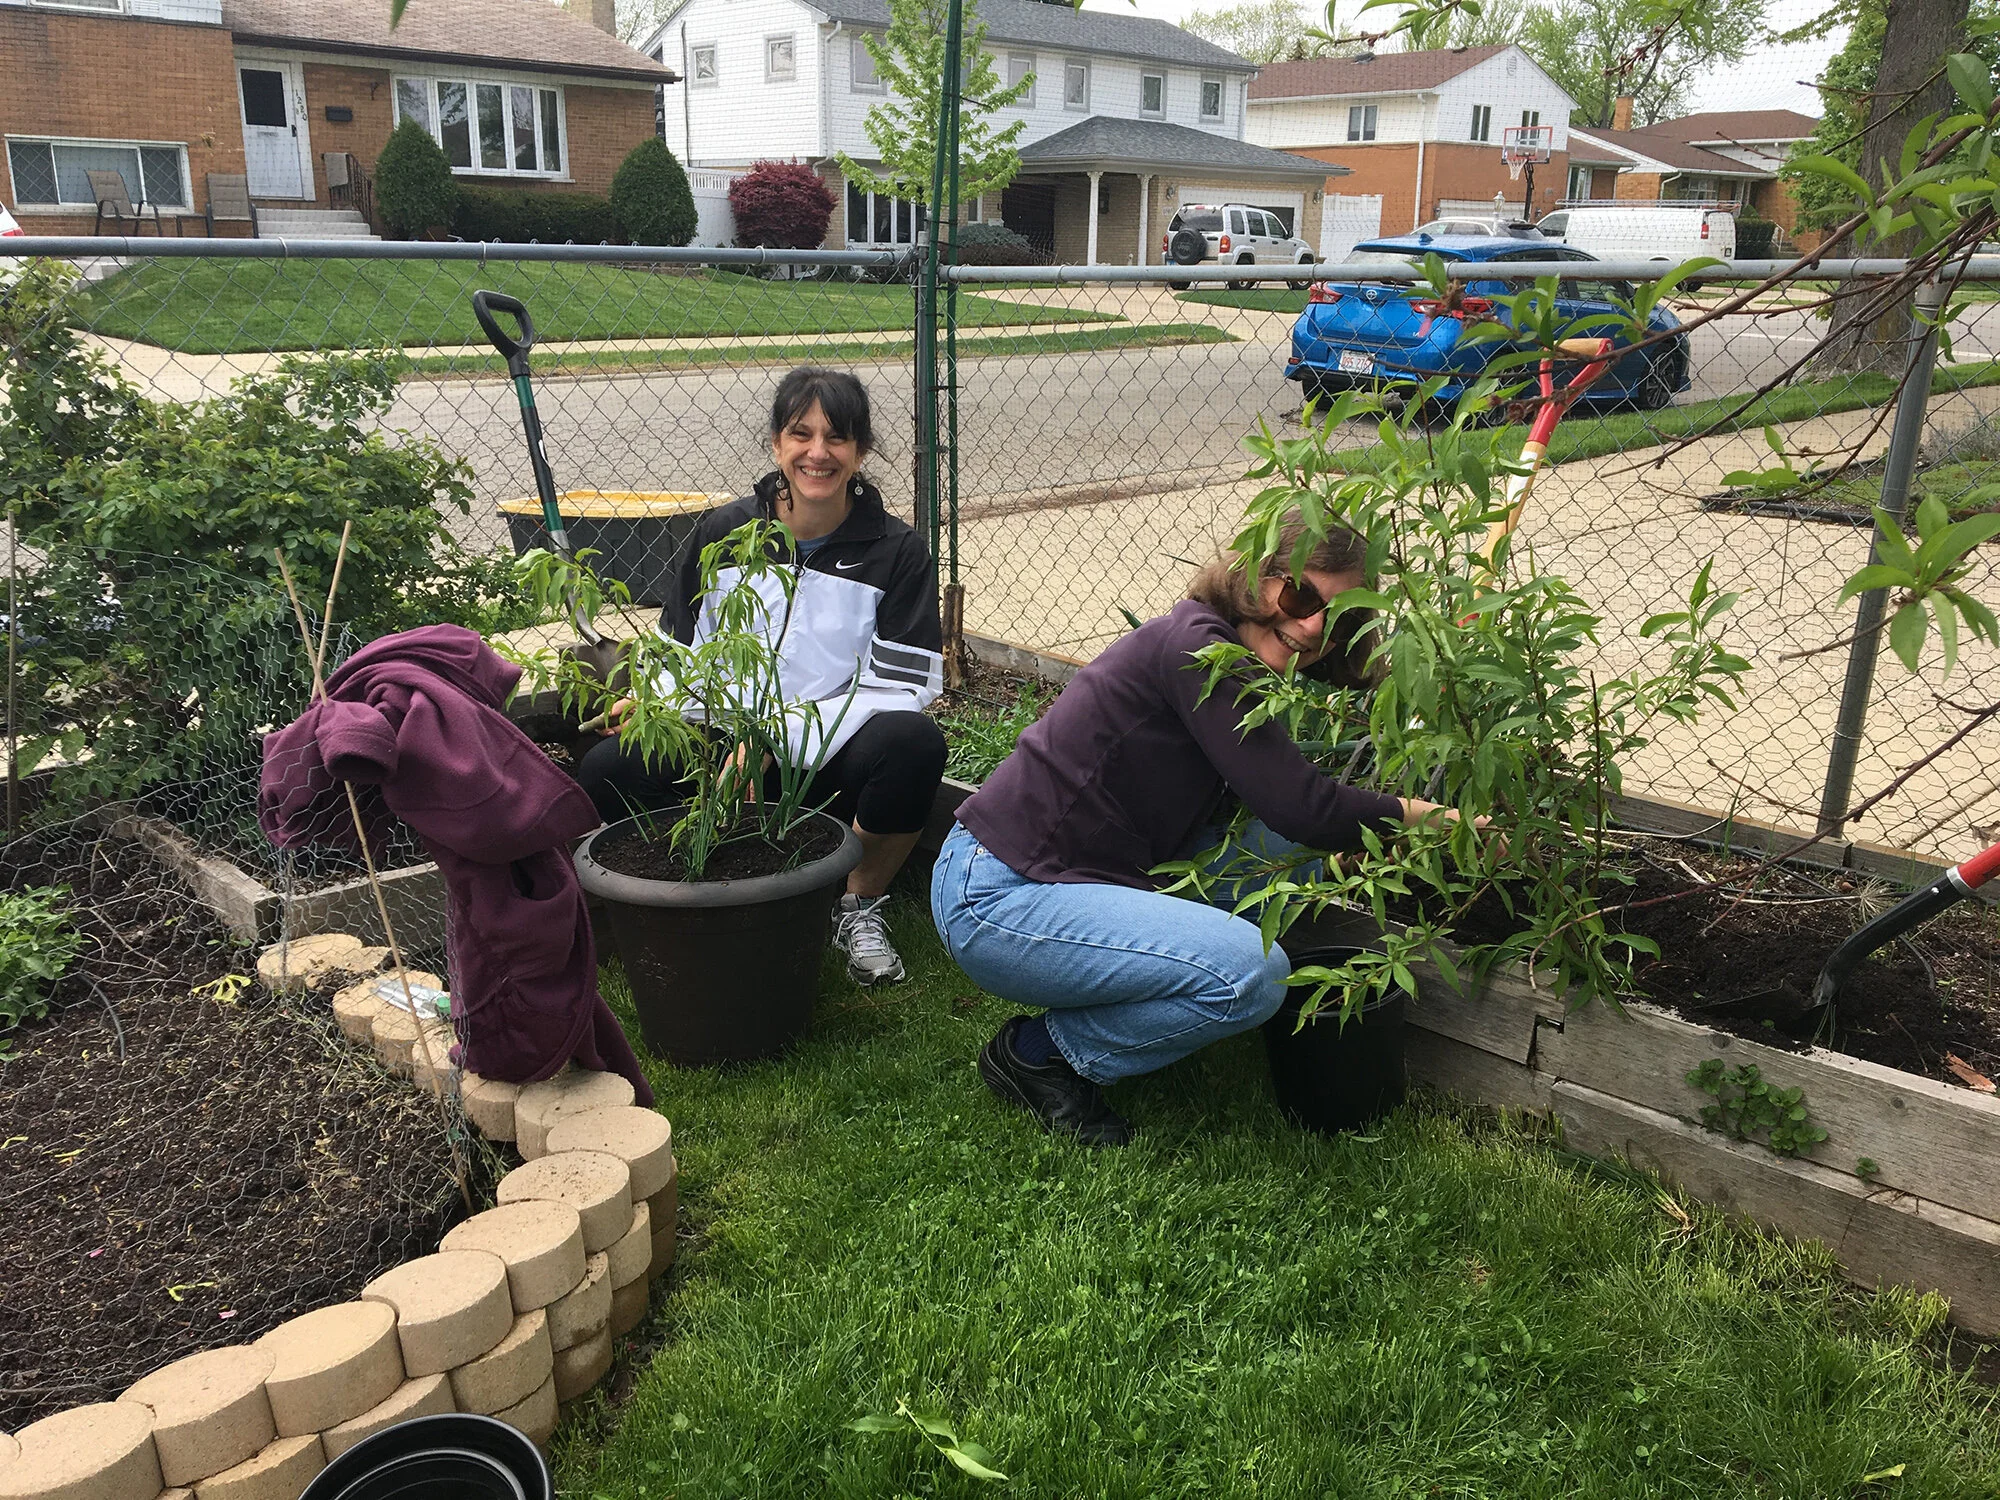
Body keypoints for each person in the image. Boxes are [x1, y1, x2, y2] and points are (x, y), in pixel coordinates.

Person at [931, 519, 1468, 1146]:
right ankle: (1041, 1052)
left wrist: (1431, 667)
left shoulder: (1228, 653)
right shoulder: (1196, 649)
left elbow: (1292, 811)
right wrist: (1424, 816)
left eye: (1341, 614)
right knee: (1252, 974)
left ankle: (1117, 1004)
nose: (1313, 626)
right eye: (1300, 595)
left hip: (1081, 875)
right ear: (1254, 577)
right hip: (1000, 895)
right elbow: (1301, 806)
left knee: (1291, 856)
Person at [575, 368, 947, 986]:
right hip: (724, 742)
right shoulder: (724, 532)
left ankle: (855, 904)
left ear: (860, 452)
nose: (818, 452)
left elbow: (900, 687)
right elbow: (679, 646)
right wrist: (659, 705)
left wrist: (775, 738)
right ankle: (710, 871)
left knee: (914, 744)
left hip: (829, 755)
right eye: (801, 433)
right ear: (777, 444)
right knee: (610, 768)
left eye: (837, 437)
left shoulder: (897, 551)